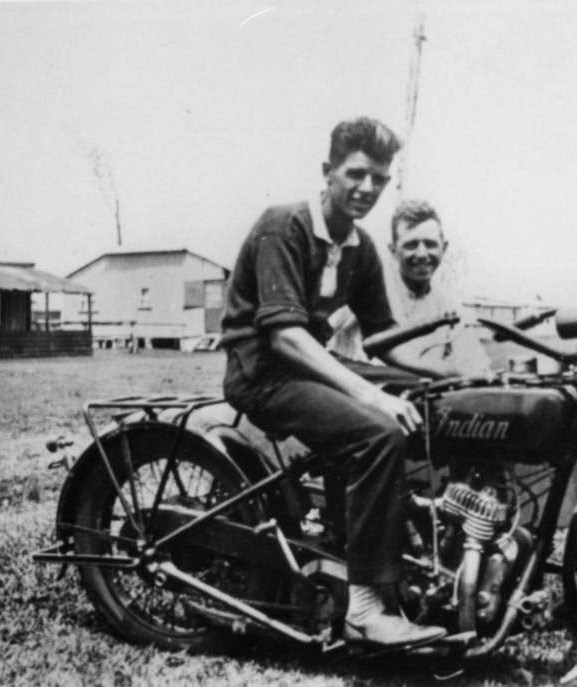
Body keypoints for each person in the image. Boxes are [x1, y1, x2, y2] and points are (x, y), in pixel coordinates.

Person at [220, 117, 446, 648]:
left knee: (428, 399)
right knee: (377, 433)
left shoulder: (361, 247)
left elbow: (385, 337)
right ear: (328, 172)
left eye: (380, 181)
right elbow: (284, 337)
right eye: (357, 174)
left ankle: (410, 553)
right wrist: (369, 394)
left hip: (303, 365)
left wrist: (449, 374)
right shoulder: (283, 225)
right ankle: (366, 610)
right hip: (262, 374)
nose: (368, 189)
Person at [327, 199, 492, 377]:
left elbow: (474, 363)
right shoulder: (369, 288)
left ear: (444, 248)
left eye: (430, 244)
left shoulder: (449, 306)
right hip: (356, 389)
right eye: (411, 245)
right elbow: (322, 337)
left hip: (413, 395)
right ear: (393, 250)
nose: (422, 254)